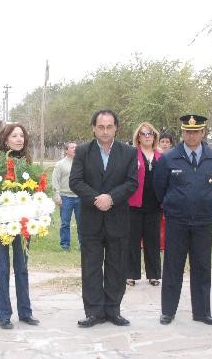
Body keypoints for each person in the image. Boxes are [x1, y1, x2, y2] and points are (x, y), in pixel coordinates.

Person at [154, 114, 212, 326]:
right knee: (172, 267)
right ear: (182, 133)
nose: (191, 135)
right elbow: (159, 188)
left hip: (203, 222)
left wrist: (207, 203)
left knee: (202, 267)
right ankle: (168, 311)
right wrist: (171, 204)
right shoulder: (169, 158)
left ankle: (202, 312)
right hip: (177, 221)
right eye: (187, 131)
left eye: (196, 131)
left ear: (203, 133)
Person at [70, 109, 138, 328]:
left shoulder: (128, 152)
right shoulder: (82, 151)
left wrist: (112, 197)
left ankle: (113, 310)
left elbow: (131, 183)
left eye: (109, 126)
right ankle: (94, 311)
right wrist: (96, 199)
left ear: (116, 127)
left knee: (117, 267)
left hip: (118, 217)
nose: (105, 131)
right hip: (91, 218)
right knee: (90, 267)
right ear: (94, 128)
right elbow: (76, 181)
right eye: (101, 127)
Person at [0, 123, 39, 329]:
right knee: (3, 268)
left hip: (23, 223)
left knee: (22, 267)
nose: (19, 139)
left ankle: (25, 312)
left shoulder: (27, 161)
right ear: (5, 139)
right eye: (14, 136)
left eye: (22, 136)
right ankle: (4, 315)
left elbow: (35, 191)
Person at [127, 122, 162, 287]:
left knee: (153, 240)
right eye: (143, 133)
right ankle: (131, 274)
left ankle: (153, 275)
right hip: (134, 205)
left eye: (150, 133)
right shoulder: (131, 155)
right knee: (132, 241)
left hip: (154, 205)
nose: (147, 136)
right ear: (138, 137)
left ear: (154, 137)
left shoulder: (161, 157)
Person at [52, 141, 81, 250]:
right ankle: (65, 245)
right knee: (65, 223)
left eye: (76, 147)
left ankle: (82, 244)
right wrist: (57, 196)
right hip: (65, 197)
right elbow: (55, 181)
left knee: (81, 223)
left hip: (79, 198)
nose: (75, 149)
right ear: (66, 151)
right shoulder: (60, 164)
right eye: (72, 147)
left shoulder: (81, 163)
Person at [158, 132, 174, 252]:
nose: (165, 144)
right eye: (162, 141)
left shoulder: (174, 157)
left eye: (167, 142)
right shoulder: (156, 156)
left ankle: (167, 243)